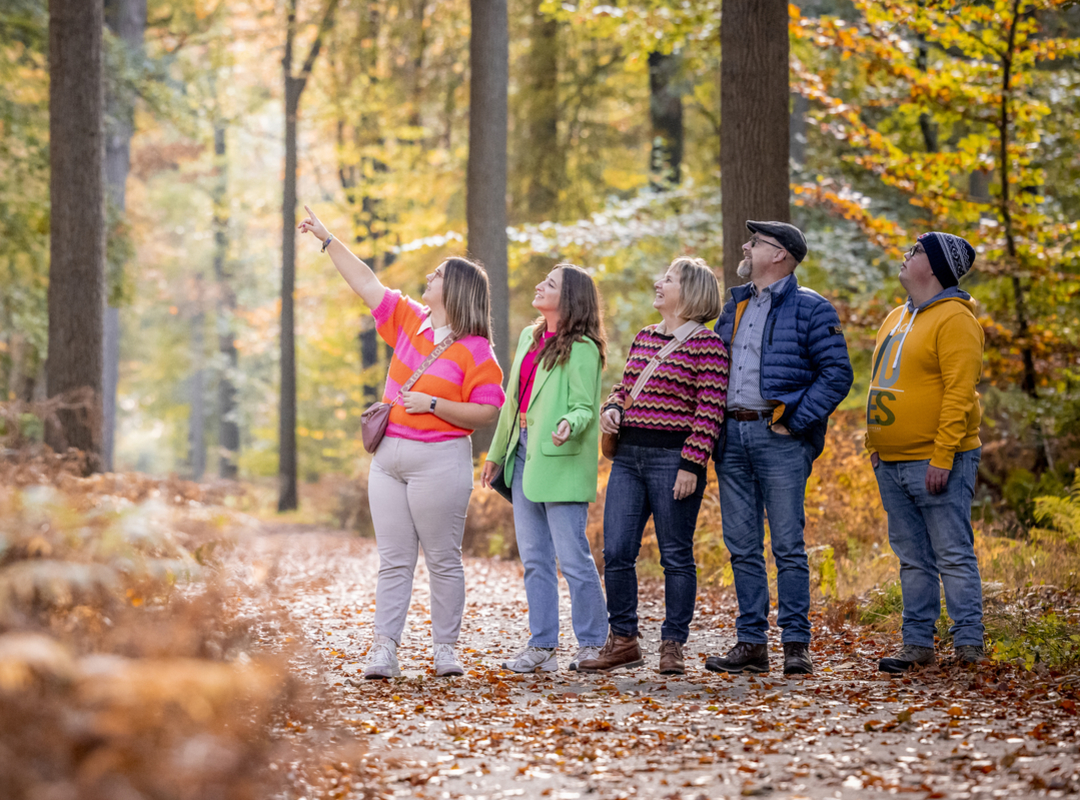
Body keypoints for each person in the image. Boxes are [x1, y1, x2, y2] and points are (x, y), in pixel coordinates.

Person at [298, 205, 505, 679]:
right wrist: (327, 240)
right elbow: (366, 283)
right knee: (393, 560)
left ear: (453, 290)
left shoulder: (477, 350)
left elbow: (487, 411)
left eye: (436, 275)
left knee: (442, 559)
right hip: (388, 458)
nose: (427, 279)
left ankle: (445, 649)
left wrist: (433, 406)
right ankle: (383, 648)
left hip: (441, 461)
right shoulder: (410, 320)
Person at [705, 221, 853, 677]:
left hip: (780, 439)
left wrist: (794, 420)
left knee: (788, 545)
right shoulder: (735, 305)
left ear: (781, 256)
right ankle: (751, 643)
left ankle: (795, 644)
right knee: (742, 546)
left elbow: (837, 374)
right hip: (732, 438)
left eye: (757, 243)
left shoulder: (812, 309)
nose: (746, 246)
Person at [578, 257, 728, 676]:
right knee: (617, 550)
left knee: (676, 555)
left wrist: (692, 464)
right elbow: (624, 389)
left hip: (673, 460)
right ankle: (624, 640)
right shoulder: (645, 337)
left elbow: (709, 410)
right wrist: (611, 409)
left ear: (691, 292)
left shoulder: (707, 345)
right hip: (628, 457)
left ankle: (672, 644)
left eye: (669, 279)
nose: (659, 283)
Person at [480, 264, 609, 673]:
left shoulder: (584, 347)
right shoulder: (528, 337)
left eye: (549, 284)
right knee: (535, 559)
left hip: (561, 462)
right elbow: (512, 402)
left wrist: (569, 425)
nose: (539, 285)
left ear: (569, 298)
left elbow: (584, 406)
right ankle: (542, 646)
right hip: (522, 460)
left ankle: (591, 644)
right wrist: (496, 454)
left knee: (573, 559)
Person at [867, 232, 986, 672]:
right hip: (890, 462)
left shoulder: (956, 320)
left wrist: (943, 456)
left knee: (952, 553)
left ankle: (968, 645)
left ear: (934, 267)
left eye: (915, 251)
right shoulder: (896, 317)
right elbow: (877, 383)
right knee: (912, 558)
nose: (905, 255)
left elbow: (960, 393)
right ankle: (917, 644)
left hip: (938, 462)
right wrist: (872, 445)